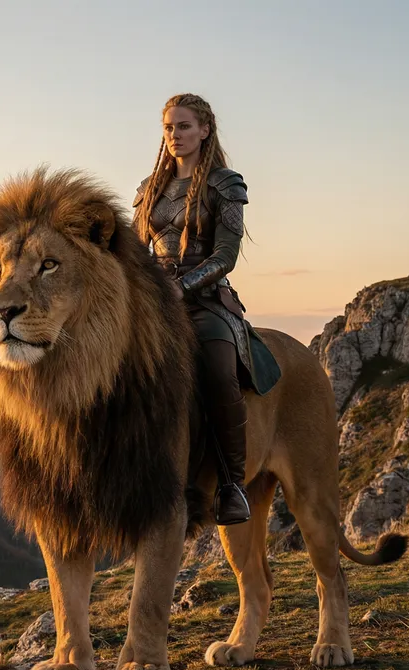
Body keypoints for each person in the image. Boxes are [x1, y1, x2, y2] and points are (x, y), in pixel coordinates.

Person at [133, 93, 251, 525]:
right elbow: (132, 252)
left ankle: (231, 485)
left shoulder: (225, 184)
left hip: (204, 300)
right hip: (153, 299)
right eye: (168, 128)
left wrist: (182, 287)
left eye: (183, 127)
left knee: (219, 372)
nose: (174, 136)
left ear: (204, 130)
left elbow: (225, 256)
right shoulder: (148, 190)